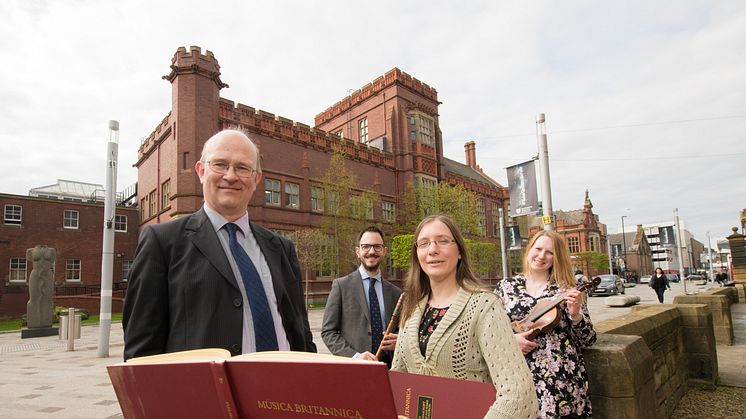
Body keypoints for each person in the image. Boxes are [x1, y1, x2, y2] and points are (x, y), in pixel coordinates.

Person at [123, 129, 316, 360]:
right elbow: (141, 353)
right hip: (205, 393)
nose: (231, 176)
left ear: (256, 179)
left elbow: (301, 334)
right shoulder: (162, 243)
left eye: (242, 167)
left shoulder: (281, 248)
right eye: (220, 164)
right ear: (201, 171)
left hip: (282, 389)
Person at [391, 215, 539, 418]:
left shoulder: (484, 306)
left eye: (442, 241)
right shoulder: (410, 309)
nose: (432, 249)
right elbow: (399, 379)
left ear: (459, 251)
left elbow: (518, 393)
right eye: (424, 243)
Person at [495, 230, 597, 418]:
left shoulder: (567, 289)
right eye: (538, 248)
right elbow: (492, 332)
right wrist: (512, 340)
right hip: (517, 375)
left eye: (550, 252)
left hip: (560, 377)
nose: (542, 256)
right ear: (529, 249)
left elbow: (588, 340)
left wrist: (575, 315)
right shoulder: (506, 286)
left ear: (557, 258)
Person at [322, 226, 402, 366]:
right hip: (354, 369)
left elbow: (403, 332)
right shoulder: (341, 286)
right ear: (358, 251)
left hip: (389, 369)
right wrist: (355, 356)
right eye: (366, 246)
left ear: (384, 251)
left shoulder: (396, 293)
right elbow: (329, 332)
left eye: (377, 247)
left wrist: (400, 341)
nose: (371, 251)